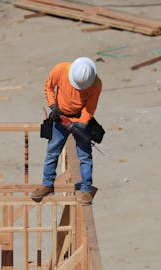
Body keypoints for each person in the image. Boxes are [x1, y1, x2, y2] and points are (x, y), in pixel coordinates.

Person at [31, 57, 102, 205]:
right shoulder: (60, 70)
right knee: (52, 151)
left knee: (84, 156)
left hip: (80, 118)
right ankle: (47, 184)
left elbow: (90, 106)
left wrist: (82, 124)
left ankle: (86, 190)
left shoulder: (95, 84)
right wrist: (53, 106)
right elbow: (49, 87)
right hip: (60, 117)